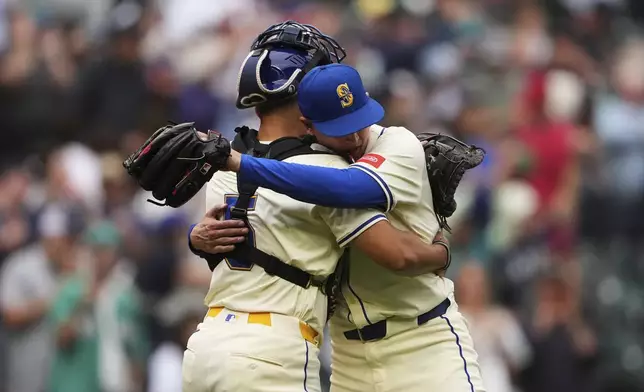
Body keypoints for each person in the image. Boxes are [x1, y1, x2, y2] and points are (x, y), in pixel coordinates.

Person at [184, 21, 450, 392]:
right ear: (304, 106)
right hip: (270, 354)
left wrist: (194, 239)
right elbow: (395, 254)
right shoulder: (324, 171)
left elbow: (224, 234)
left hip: (204, 345)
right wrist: (440, 253)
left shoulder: (225, 161)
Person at [48, 220, 148, 392]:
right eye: (97, 250)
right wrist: (84, 302)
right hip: (73, 384)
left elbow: (136, 346)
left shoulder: (126, 295)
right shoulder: (70, 290)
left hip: (114, 383)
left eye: (107, 250)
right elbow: (60, 339)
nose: (102, 257)